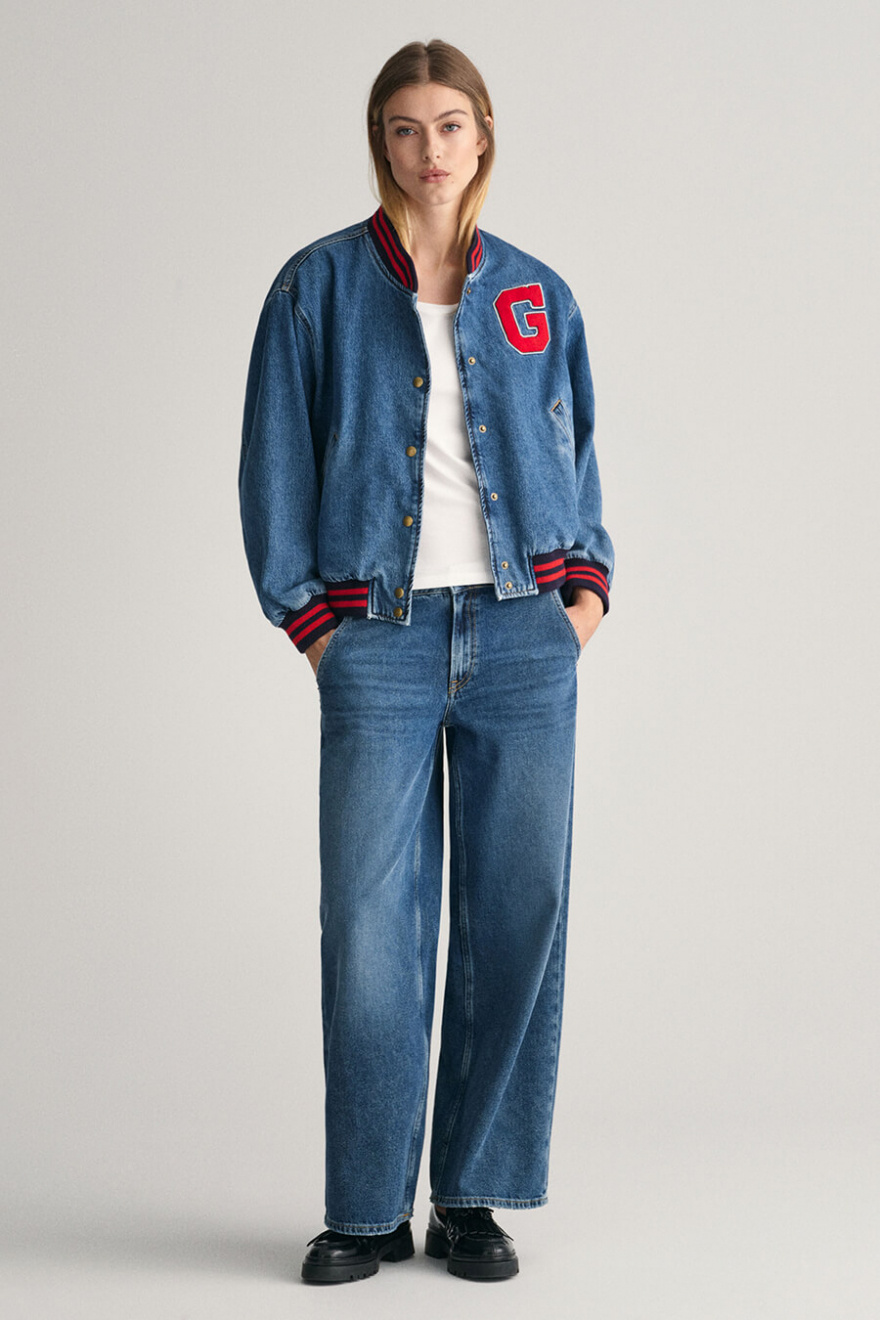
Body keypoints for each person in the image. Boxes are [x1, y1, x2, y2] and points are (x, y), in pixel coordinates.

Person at [239, 39, 614, 1284]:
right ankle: (364, 1209)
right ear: (381, 143)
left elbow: (579, 453)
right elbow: (273, 465)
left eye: (449, 125)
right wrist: (316, 629)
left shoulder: (537, 294)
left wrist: (580, 597)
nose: (428, 150)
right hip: (381, 642)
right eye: (404, 128)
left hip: (522, 639)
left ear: (483, 134)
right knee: (369, 924)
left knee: (518, 912)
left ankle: (472, 1198)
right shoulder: (315, 287)